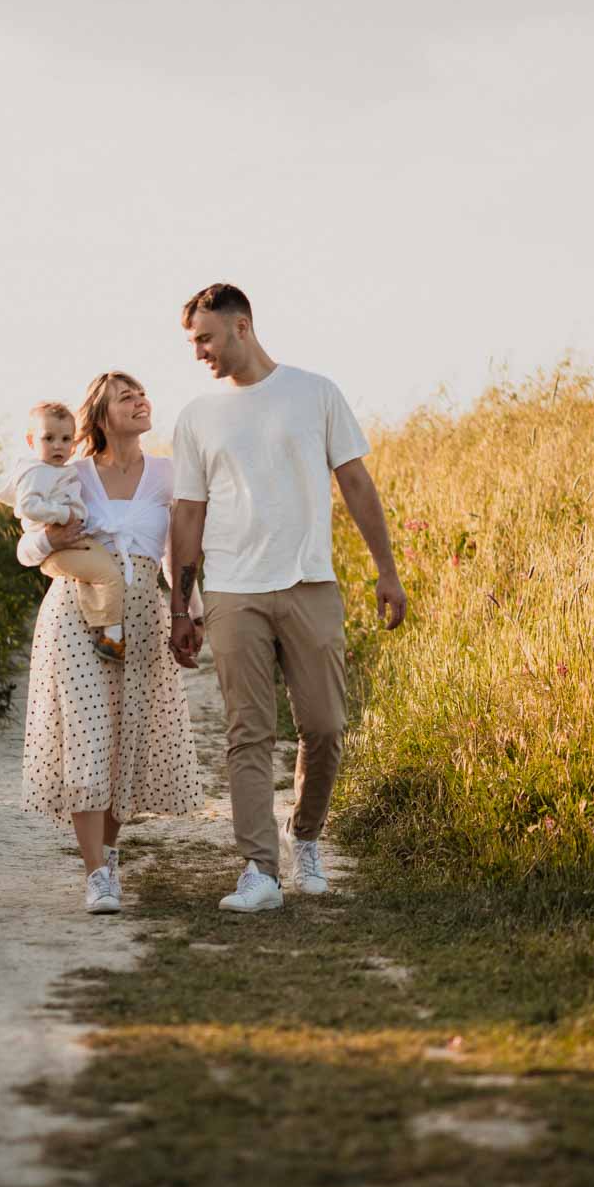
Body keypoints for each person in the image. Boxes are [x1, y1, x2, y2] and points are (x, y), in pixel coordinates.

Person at [168, 284, 406, 913]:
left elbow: (355, 481)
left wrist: (387, 570)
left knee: (325, 727)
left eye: (205, 338)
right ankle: (259, 870)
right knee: (247, 731)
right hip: (231, 590)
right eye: (193, 342)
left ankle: (305, 838)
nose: (198, 353)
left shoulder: (315, 393)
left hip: (310, 582)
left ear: (241, 327)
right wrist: (179, 607)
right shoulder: (197, 415)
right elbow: (188, 514)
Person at [19, 372, 202, 914]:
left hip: (143, 614)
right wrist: (50, 537)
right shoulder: (69, 474)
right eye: (128, 397)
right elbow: (27, 551)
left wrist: (186, 614)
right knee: (89, 736)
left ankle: (110, 853)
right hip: (76, 615)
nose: (142, 401)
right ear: (101, 416)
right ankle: (96, 873)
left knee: (126, 739)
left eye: (143, 393)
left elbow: (179, 555)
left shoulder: (169, 475)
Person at [0, 401, 127, 662]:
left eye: (65, 438)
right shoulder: (36, 472)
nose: (58, 445)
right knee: (109, 574)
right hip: (56, 544)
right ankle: (111, 638)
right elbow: (28, 506)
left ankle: (105, 627)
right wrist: (66, 514)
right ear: (30, 441)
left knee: (103, 568)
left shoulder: (59, 470)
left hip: (71, 540)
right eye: (48, 438)